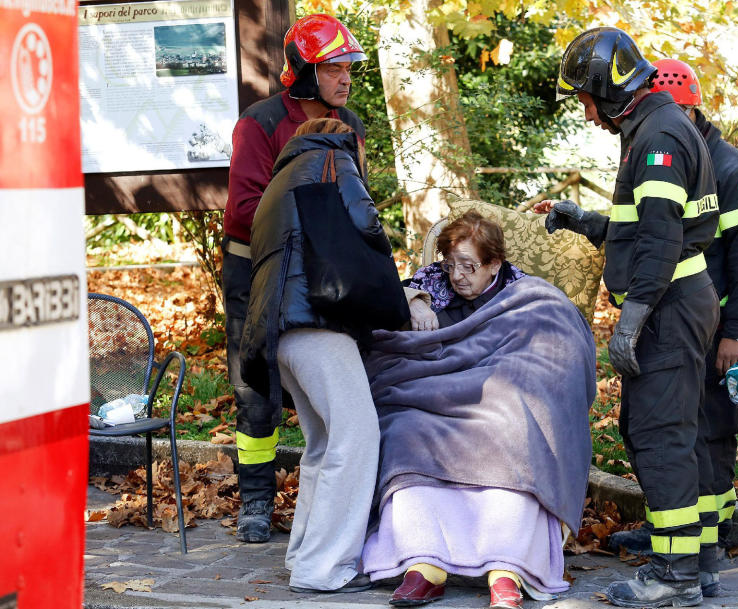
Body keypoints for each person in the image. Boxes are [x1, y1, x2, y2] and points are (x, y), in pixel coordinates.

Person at [538, 28, 720, 607]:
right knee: (667, 434)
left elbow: (662, 241)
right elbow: (641, 223)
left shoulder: (658, 137)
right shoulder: (654, 128)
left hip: (668, 306)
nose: (587, 114)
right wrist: (582, 220)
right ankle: (694, 564)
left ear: (609, 90)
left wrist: (631, 320)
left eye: (586, 100)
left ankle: (675, 578)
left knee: (658, 437)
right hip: (678, 302)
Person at [361, 212, 596, 609]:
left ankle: (506, 569)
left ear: (494, 265)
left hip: (497, 398)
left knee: (516, 429)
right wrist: (413, 300)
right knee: (405, 432)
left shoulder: (526, 296)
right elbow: (383, 319)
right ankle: (424, 565)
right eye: (451, 265)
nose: (457, 276)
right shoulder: (430, 284)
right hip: (429, 395)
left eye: (469, 266)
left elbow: (558, 348)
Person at [607, 58, 738, 597]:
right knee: (672, 431)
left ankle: (699, 552)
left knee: (700, 433)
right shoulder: (676, 145)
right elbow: (644, 231)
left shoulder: (729, 168)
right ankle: (685, 545)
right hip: (690, 311)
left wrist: (737, 330)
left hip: (696, 318)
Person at [238, 118, 404, 593]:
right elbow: (365, 222)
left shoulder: (278, 181)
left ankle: (303, 556)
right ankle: (326, 568)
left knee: (322, 444)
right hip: (318, 324)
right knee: (357, 437)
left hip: (280, 333)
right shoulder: (334, 158)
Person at [222, 13, 368, 542]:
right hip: (255, 269)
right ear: (304, 71)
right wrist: (311, 210)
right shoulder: (259, 123)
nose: (345, 78)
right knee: (254, 386)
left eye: (348, 68)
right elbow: (243, 209)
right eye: (333, 69)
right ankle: (256, 501)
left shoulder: (349, 124)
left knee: (328, 382)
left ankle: (326, 499)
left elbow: (356, 198)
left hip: (321, 268)